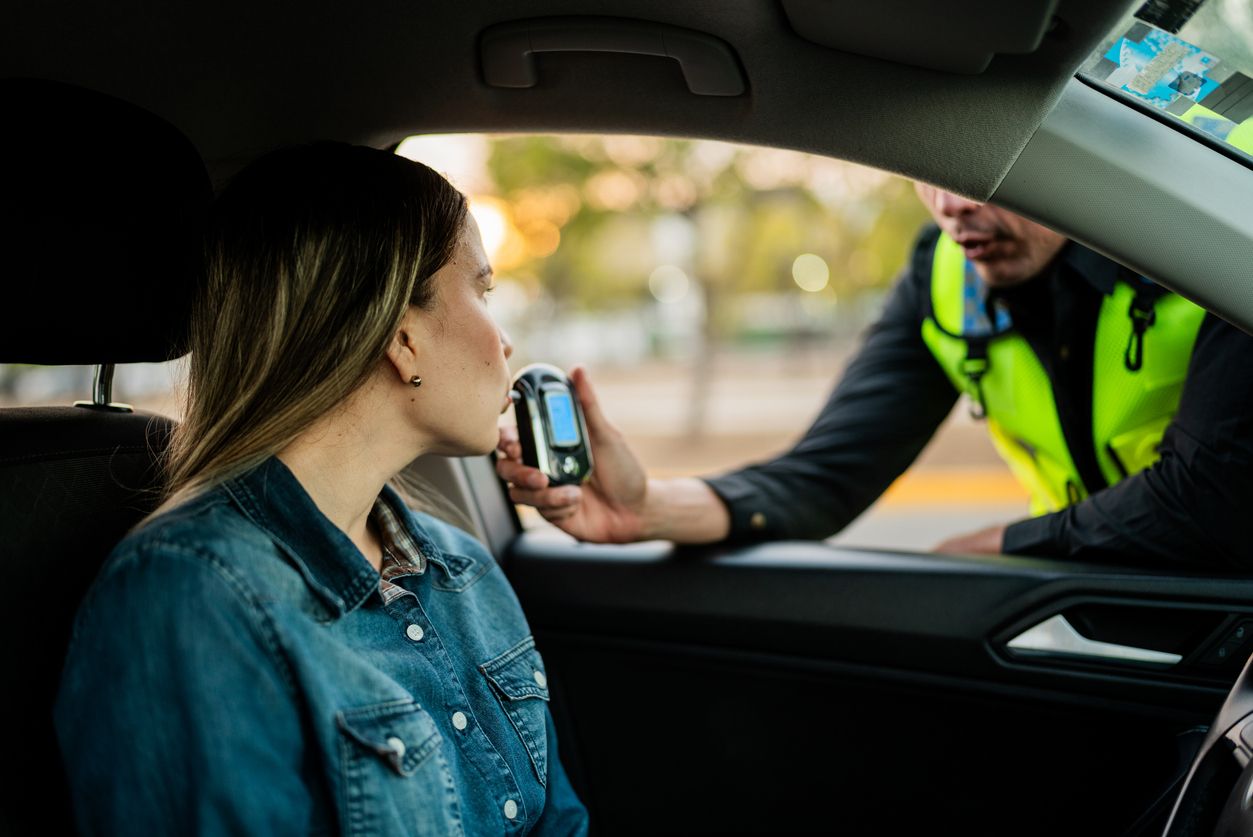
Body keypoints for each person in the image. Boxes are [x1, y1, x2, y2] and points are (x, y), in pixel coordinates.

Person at [55, 143, 589, 835]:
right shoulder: (189, 596)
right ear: (401, 335)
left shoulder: (462, 567)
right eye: (482, 291)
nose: (505, 342)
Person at [498, 184, 1253, 569]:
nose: (954, 206)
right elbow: (826, 476)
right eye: (933, 169)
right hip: (1096, 608)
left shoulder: (1216, 219)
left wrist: (998, 546)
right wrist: (649, 508)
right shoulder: (944, 275)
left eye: (991, 170)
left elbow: (1215, 493)